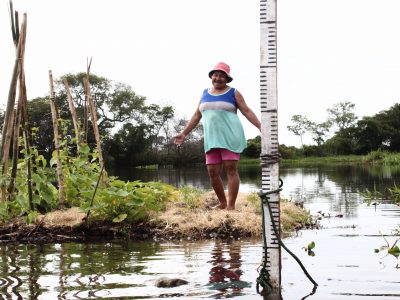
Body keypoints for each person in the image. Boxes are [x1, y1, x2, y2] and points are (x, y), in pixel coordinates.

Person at [173, 62, 261, 210]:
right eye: (215, 75)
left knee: (230, 169)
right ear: (211, 77)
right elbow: (196, 115)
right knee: (212, 172)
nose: (218, 78)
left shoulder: (233, 92)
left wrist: (260, 126)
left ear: (227, 79)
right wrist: (184, 133)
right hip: (212, 139)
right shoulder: (204, 93)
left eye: (222, 76)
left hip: (230, 136)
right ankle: (222, 202)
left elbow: (246, 111)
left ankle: (231, 206)